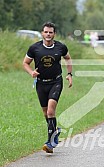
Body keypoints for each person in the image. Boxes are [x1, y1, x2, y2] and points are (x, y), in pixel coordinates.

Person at [23, 22, 73, 153]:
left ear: (54, 34)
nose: (48, 34)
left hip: (56, 82)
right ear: (42, 33)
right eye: (46, 32)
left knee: (51, 111)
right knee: (46, 113)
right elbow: (25, 63)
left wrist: (69, 74)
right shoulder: (34, 48)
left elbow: (68, 58)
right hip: (40, 83)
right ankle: (54, 131)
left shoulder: (61, 47)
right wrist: (31, 72)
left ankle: (50, 143)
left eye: (51, 32)